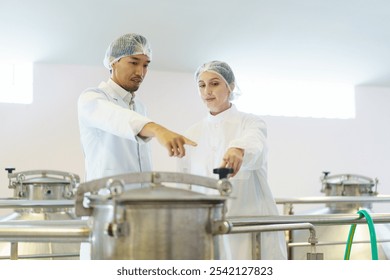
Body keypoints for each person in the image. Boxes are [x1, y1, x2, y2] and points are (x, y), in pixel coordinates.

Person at [178, 60, 287, 260]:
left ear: (231, 86)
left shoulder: (250, 123)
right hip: (208, 231)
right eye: (201, 85)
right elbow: (188, 186)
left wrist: (239, 149)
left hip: (249, 230)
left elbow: (255, 144)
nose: (207, 91)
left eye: (214, 83)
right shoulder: (191, 134)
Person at [78, 33, 196, 182]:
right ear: (113, 62)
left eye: (145, 65)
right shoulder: (92, 98)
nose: (140, 72)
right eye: (134, 62)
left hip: (139, 199)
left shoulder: (139, 107)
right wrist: (158, 130)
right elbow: (117, 118)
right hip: (105, 200)